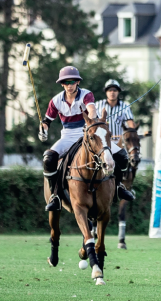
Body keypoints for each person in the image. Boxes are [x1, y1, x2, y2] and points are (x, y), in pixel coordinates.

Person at [40, 67, 135, 212]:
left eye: (72, 81)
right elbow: (47, 120)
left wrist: (91, 120)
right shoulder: (56, 101)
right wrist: (43, 129)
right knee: (48, 158)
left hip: (87, 134)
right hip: (67, 136)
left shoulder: (86, 95)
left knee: (122, 155)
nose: (69, 85)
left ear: (77, 82)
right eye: (66, 82)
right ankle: (55, 196)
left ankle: (119, 187)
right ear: (62, 84)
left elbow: (92, 109)